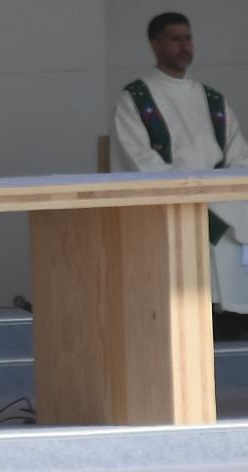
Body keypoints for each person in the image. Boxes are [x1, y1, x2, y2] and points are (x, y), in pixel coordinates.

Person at [110, 12, 248, 333]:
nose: (185, 46)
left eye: (188, 38)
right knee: (208, 219)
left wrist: (219, 188)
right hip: (172, 196)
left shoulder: (212, 99)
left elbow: (238, 152)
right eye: (175, 39)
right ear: (155, 44)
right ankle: (206, 318)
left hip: (216, 192)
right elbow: (139, 159)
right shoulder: (135, 100)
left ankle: (236, 315)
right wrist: (192, 189)